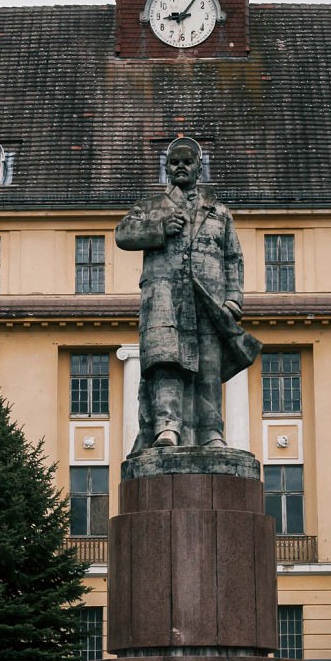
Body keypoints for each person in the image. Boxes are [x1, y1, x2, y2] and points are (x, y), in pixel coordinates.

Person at [116, 140, 258, 448]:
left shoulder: (219, 211)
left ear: (198, 168)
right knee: (166, 362)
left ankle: (211, 432)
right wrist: (160, 227)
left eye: (188, 162)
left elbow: (233, 256)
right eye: (175, 162)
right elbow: (123, 234)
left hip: (209, 298)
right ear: (166, 168)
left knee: (208, 365)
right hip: (164, 297)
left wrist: (234, 298)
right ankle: (167, 427)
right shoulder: (151, 206)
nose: (181, 166)